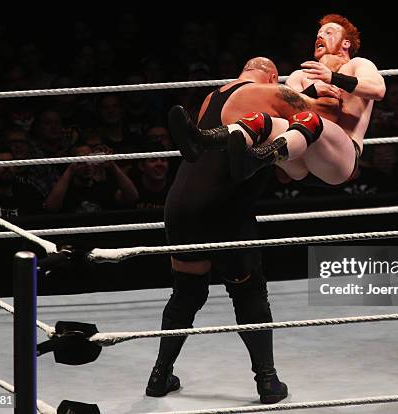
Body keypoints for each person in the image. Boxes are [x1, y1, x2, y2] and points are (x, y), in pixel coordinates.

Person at [147, 56, 331, 404]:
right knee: (248, 293)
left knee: (187, 292)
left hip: (181, 202)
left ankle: (159, 376)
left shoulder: (211, 96)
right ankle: (267, 382)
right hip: (225, 206)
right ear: (273, 75)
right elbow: (318, 119)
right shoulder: (274, 93)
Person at [170, 14, 385, 187]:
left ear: (346, 43)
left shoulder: (358, 65)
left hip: (339, 159)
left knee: (309, 118)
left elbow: (377, 90)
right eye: (318, 34)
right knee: (262, 119)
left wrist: (333, 78)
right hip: (299, 160)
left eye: (328, 33)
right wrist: (311, 90)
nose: (320, 37)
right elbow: (283, 112)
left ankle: (257, 158)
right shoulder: (300, 76)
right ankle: (203, 141)